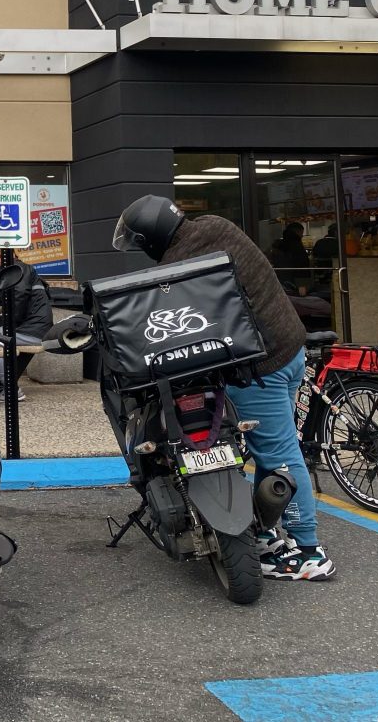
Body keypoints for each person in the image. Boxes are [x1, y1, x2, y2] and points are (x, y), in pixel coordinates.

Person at [112, 195, 335, 582]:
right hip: (288, 348)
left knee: (278, 451)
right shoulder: (216, 225)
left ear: (152, 238)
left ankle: (307, 550)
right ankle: (266, 534)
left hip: (258, 366)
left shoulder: (179, 263)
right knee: (270, 449)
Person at [0, 250, 53, 401]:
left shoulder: (21, 269)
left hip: (35, 329)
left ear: (13, 255)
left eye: (0, 257)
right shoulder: (8, 274)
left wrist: (10, 322)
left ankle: (12, 390)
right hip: (30, 327)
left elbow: (20, 295)